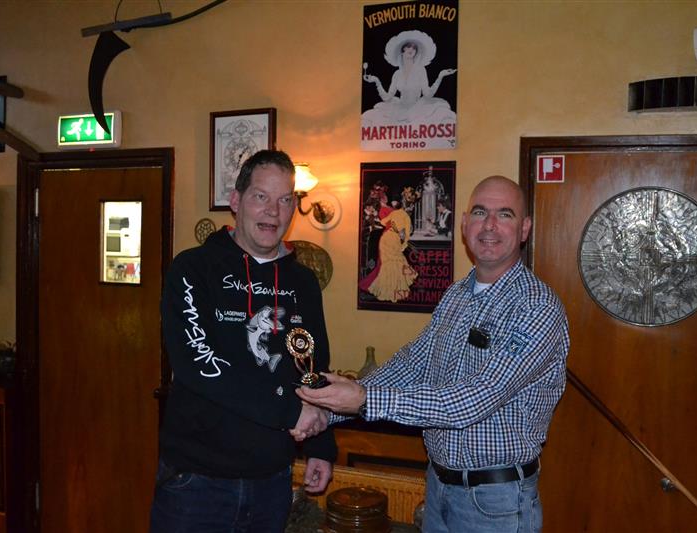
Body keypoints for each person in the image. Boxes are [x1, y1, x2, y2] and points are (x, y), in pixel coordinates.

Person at [299, 176, 570, 533]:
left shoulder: (537, 307)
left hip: (496, 503)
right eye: (480, 212)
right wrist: (328, 409)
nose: (490, 225)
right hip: (438, 488)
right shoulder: (456, 295)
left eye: (505, 214)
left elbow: (476, 398)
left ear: (524, 229)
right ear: (464, 225)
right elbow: (411, 365)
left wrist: (364, 399)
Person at [150, 150, 336, 532]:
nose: (273, 211)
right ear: (236, 201)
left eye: (285, 200)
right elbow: (198, 364)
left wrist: (320, 445)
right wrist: (290, 412)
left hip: (272, 481)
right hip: (196, 483)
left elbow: (314, 367)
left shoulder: (303, 282)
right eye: (261, 196)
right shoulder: (193, 268)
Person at [362, 29, 457, 126]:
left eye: (414, 48)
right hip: (399, 110)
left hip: (418, 109)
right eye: (408, 47)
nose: (411, 49)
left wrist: (440, 76)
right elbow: (387, 97)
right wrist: (376, 81)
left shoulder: (421, 70)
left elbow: (428, 95)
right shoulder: (397, 74)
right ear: (402, 51)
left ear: (416, 52)